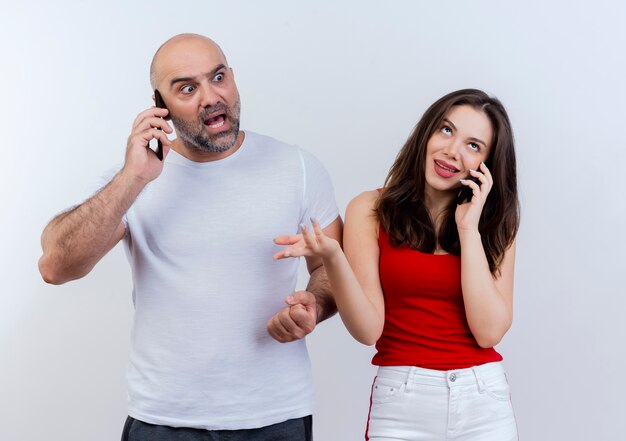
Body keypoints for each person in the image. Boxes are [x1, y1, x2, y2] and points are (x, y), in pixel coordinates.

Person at [38, 33, 342, 441]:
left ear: (233, 78)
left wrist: (315, 305)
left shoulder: (298, 167)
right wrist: (134, 178)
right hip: (163, 420)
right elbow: (55, 266)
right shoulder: (135, 177)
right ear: (158, 105)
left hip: (276, 416)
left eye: (218, 77)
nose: (210, 97)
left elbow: (329, 267)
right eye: (187, 88)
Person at [275, 89, 520, 440]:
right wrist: (333, 256)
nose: (452, 151)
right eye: (446, 130)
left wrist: (468, 229)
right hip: (402, 400)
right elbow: (367, 330)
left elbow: (489, 332)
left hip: (483, 400)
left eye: (473, 145)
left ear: (487, 164)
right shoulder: (370, 210)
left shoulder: (496, 224)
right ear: (427, 133)